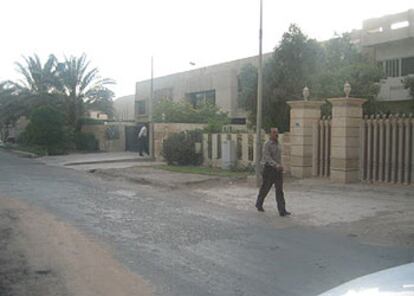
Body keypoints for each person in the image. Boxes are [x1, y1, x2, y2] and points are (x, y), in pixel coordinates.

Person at [255, 128, 291, 217]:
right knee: (265, 188)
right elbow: (267, 157)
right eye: (274, 133)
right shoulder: (267, 144)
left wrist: (280, 166)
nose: (276, 134)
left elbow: (278, 157)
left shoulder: (278, 144)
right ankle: (259, 204)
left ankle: (282, 210)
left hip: (278, 170)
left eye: (277, 132)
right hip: (269, 169)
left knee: (279, 190)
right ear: (270, 134)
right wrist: (276, 165)